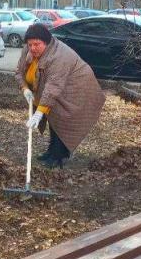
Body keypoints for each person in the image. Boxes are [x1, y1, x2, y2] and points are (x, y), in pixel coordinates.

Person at [15, 24, 105, 168]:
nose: (33, 48)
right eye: (30, 44)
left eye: (37, 44)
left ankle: (59, 156)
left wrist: (39, 113)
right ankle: (51, 152)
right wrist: (25, 88)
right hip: (57, 88)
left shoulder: (59, 56)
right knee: (53, 117)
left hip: (77, 89)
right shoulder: (29, 51)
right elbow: (19, 72)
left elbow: (52, 87)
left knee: (64, 120)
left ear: (47, 42)